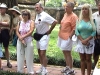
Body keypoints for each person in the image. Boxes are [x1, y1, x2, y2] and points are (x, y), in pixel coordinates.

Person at [34, 3, 57, 75]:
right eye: (35, 7)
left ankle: (45, 69)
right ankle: (41, 67)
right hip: (38, 35)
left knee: (42, 53)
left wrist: (50, 31)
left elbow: (55, 21)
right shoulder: (37, 15)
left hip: (44, 36)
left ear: (41, 8)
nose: (36, 9)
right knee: (39, 52)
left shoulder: (45, 15)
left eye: (37, 7)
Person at [57, 2, 78, 75]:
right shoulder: (65, 14)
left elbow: (75, 28)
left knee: (68, 53)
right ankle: (67, 66)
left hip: (68, 37)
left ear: (72, 8)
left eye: (68, 7)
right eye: (65, 6)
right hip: (62, 36)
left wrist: (70, 36)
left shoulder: (74, 16)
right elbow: (63, 23)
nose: (66, 8)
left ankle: (71, 69)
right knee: (64, 52)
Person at [75, 4, 96, 75]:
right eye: (82, 9)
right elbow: (76, 31)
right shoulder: (78, 20)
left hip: (89, 42)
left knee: (88, 59)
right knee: (82, 59)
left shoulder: (92, 20)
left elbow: (94, 32)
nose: (84, 10)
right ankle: (82, 73)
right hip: (80, 41)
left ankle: (88, 74)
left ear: (89, 10)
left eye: (85, 9)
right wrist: (82, 40)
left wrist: (86, 40)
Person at [16, 9, 35, 74]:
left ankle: (30, 71)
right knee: (20, 55)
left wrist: (23, 37)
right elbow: (17, 31)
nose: (24, 16)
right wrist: (21, 38)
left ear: (28, 15)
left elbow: (31, 31)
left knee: (29, 56)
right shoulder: (20, 22)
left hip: (28, 41)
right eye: (23, 14)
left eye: (25, 14)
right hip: (20, 41)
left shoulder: (31, 22)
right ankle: (20, 71)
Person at [0, 3, 12, 68]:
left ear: (5, 9)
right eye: (0, 8)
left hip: (5, 32)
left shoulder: (8, 16)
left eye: (2, 8)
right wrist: (3, 24)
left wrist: (1, 23)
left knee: (6, 47)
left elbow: (8, 24)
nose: (1, 9)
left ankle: (8, 62)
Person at [92, 1, 100, 66]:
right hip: (96, 39)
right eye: (99, 5)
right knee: (95, 56)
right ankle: (96, 70)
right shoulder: (94, 15)